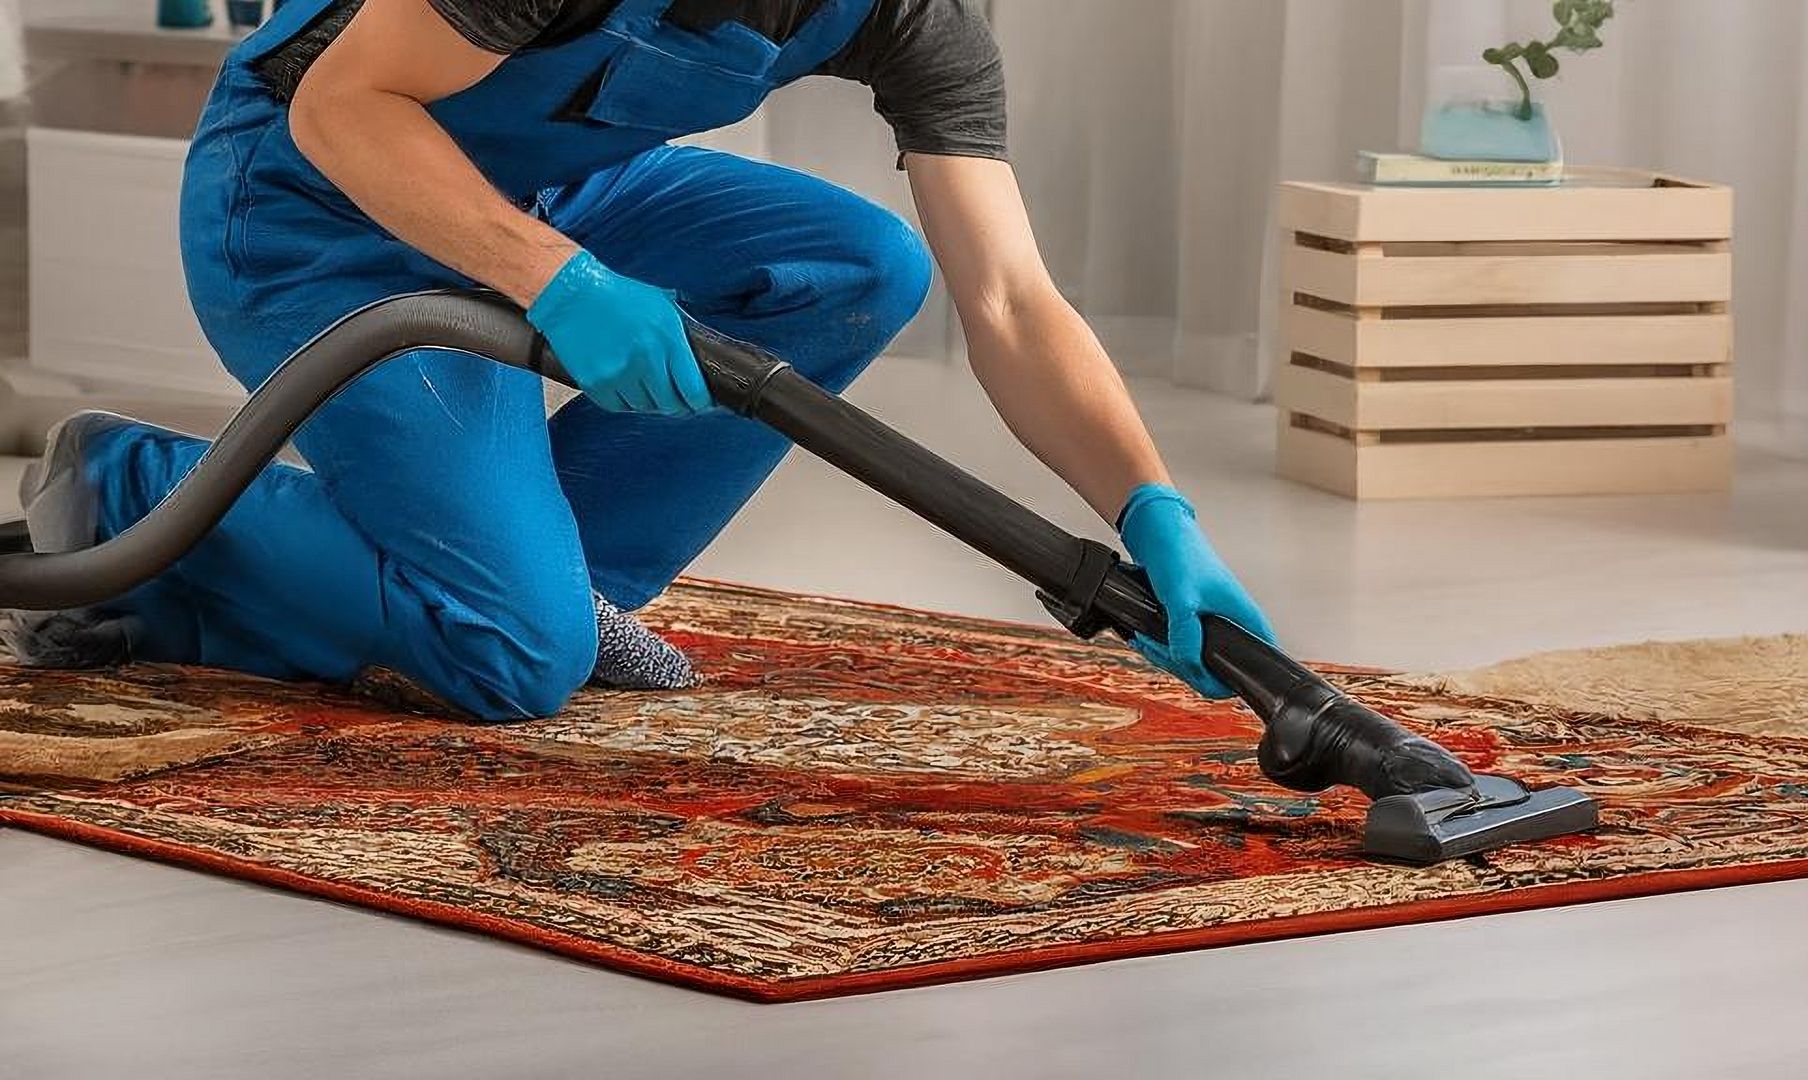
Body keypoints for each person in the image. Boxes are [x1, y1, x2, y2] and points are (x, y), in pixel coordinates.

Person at [11, 0, 1274, 720]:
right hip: (318, 206)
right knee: (512, 659)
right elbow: (343, 110)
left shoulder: (915, 15)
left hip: (565, 190)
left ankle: (558, 584)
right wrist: (566, 284)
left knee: (861, 266)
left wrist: (1150, 506)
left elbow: (1006, 296)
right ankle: (131, 497)